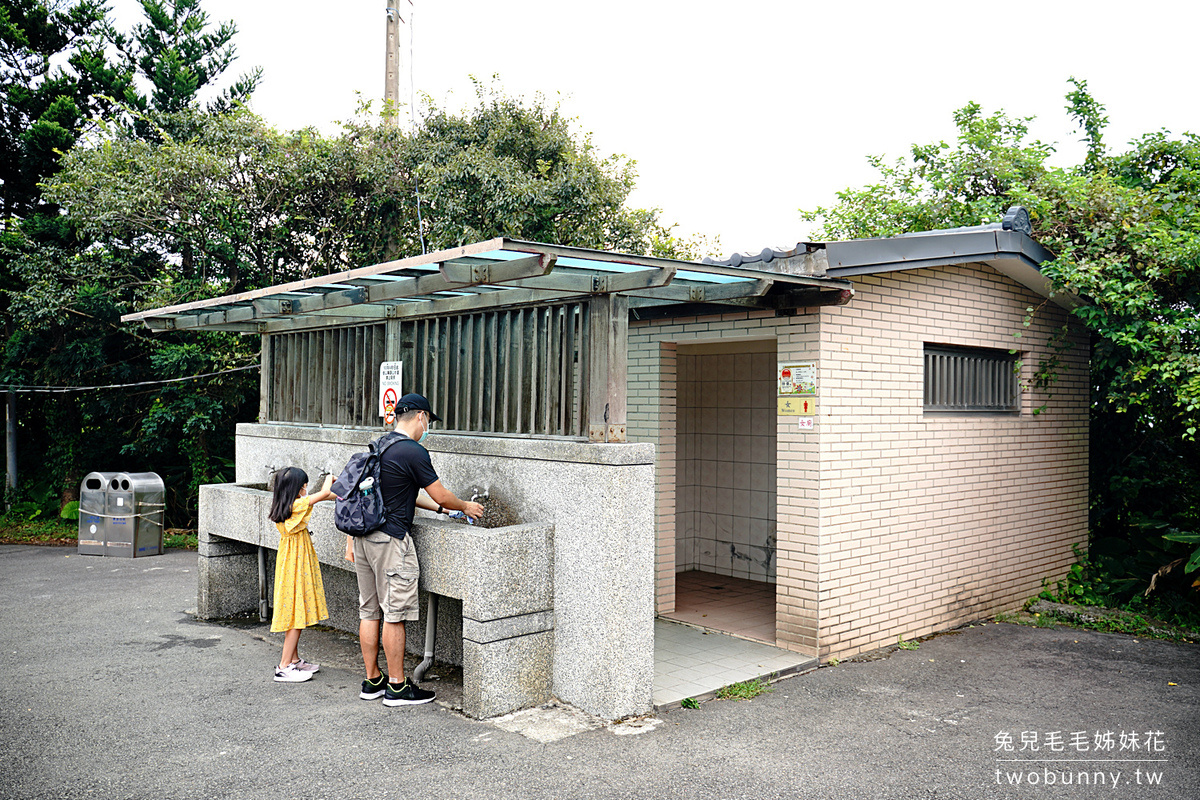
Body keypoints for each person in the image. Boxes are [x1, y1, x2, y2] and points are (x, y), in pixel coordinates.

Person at [349, 393, 483, 707]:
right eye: (428, 421)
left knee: (369, 612)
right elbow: (442, 493)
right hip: (391, 541)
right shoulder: (413, 450)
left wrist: (441, 510)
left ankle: (373, 680)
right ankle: (397, 687)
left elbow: (404, 493)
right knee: (394, 615)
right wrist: (464, 506)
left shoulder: (380, 445)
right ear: (421, 416)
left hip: (364, 538)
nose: (427, 427)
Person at [267, 467, 336, 683]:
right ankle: (284, 666)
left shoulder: (286, 505)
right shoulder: (296, 505)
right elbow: (324, 494)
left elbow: (327, 495)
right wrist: (330, 478)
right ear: (296, 489)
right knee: (295, 615)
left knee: (296, 610)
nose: (306, 488)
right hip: (294, 564)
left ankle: (294, 660)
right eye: (303, 485)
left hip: (293, 561)